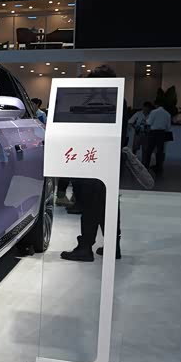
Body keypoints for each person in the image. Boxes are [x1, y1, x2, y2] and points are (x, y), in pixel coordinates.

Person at [61, 65, 124, 262]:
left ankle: (85, 247)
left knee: (90, 205)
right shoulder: (119, 100)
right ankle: (113, 246)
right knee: (107, 205)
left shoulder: (96, 104)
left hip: (92, 159)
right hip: (109, 160)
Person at [143, 102, 172, 175]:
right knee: (160, 151)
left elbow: (149, 122)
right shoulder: (167, 114)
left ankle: (146, 166)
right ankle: (159, 167)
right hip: (162, 133)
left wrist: (145, 121)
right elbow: (168, 127)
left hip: (153, 133)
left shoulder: (154, 112)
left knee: (149, 150)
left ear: (157, 105)